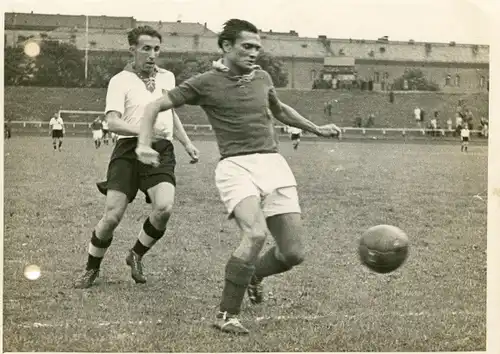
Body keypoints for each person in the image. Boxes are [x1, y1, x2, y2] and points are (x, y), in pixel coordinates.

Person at [136, 19, 340, 334]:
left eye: (258, 47)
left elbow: (279, 109)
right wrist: (143, 144)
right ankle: (226, 314)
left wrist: (316, 128)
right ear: (227, 46)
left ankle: (253, 275)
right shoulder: (204, 82)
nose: (254, 52)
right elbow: (153, 107)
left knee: (293, 253)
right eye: (247, 46)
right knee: (256, 234)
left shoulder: (263, 77)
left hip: (273, 164)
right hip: (236, 167)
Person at [74, 26, 199, 289]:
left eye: (156, 49)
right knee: (112, 216)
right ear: (132, 49)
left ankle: (136, 254)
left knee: (164, 207)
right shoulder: (120, 80)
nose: (152, 54)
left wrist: (186, 143)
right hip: (128, 150)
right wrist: (143, 130)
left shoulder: (168, 77)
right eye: (146, 48)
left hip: (160, 150)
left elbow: (171, 115)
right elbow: (112, 122)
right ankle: (92, 268)